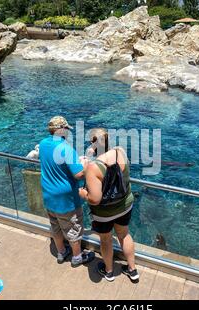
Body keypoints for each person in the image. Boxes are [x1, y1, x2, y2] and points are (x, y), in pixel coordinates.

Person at [79, 128, 139, 282]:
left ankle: (109, 271)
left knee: (106, 240)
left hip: (104, 213)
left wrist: (83, 193)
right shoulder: (121, 151)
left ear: (93, 144)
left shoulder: (94, 167)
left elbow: (95, 199)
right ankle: (132, 270)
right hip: (125, 204)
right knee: (124, 235)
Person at [39, 116, 94, 267]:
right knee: (73, 228)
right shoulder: (66, 148)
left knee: (55, 226)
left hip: (48, 195)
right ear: (62, 130)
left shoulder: (43, 144)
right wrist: (85, 164)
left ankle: (61, 252)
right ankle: (77, 257)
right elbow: (79, 174)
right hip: (66, 199)